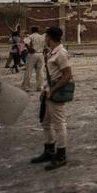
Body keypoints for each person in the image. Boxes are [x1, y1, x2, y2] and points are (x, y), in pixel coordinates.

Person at [30, 27, 73, 171]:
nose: (45, 40)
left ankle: (61, 155)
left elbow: (67, 75)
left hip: (57, 92)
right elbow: (51, 75)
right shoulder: (51, 52)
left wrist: (53, 90)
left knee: (59, 124)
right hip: (50, 90)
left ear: (50, 38)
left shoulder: (61, 53)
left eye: (46, 37)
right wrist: (45, 89)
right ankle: (49, 151)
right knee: (46, 122)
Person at [22, 26, 46, 92]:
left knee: (29, 71)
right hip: (41, 54)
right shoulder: (42, 37)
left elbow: (25, 42)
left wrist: (29, 48)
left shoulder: (31, 36)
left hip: (32, 54)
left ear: (32, 30)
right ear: (38, 30)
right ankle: (40, 86)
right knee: (40, 71)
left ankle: (27, 87)